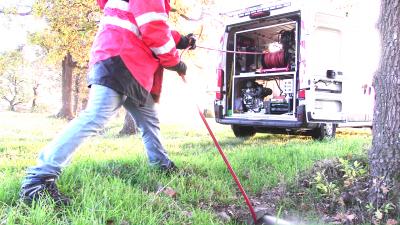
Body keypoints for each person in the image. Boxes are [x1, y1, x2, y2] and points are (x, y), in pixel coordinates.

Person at [20, 0, 196, 206]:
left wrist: (183, 40)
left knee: (149, 121)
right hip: (120, 60)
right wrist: (175, 62)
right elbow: (154, 29)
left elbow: (152, 24)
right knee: (95, 116)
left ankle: (161, 164)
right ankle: (38, 180)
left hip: (132, 67)